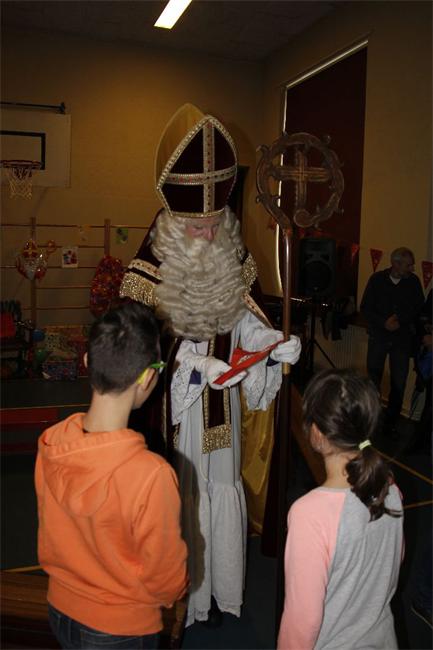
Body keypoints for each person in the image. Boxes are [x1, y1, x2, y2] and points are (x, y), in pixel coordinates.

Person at [120, 103, 301, 627]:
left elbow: (244, 316)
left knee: (222, 492)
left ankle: (219, 593)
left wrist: (269, 341)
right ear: (173, 220)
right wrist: (191, 365)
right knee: (183, 497)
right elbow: (133, 350)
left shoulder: (231, 253)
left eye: (213, 222)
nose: (207, 234)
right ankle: (184, 597)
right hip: (175, 418)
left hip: (224, 411)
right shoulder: (147, 271)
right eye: (196, 226)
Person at [35, 302, 188, 649]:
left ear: (87, 361)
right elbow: (165, 575)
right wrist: (176, 590)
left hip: (59, 607)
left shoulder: (52, 441)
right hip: (120, 627)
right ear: (147, 377)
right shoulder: (152, 475)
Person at [278, 369, 404, 650]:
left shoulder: (309, 514)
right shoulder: (390, 490)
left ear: (316, 433)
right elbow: (393, 562)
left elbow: (303, 620)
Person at [360, 247, 424, 435]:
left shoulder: (413, 282)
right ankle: (371, 420)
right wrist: (383, 322)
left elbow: (418, 308)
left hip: (401, 340)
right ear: (396, 263)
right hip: (379, 337)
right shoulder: (377, 280)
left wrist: (400, 320)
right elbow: (365, 308)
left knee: (399, 383)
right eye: (408, 265)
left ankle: (391, 424)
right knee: (373, 381)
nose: (412, 268)